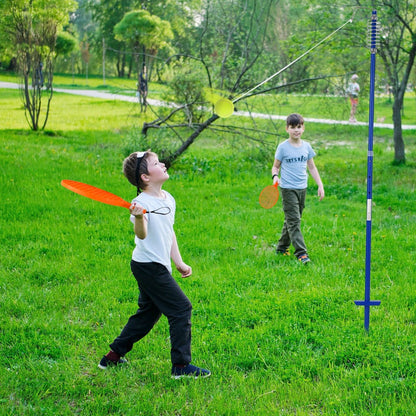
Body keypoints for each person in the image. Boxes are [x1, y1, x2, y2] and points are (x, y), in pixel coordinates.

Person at [98, 151, 211, 379]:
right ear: (146, 177)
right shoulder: (140, 203)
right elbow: (142, 235)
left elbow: (169, 233)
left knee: (148, 315)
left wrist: (178, 261)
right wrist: (139, 217)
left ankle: (112, 357)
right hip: (147, 266)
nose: (163, 164)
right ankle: (181, 367)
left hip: (159, 264)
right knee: (181, 308)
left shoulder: (168, 198)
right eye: (157, 163)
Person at [271, 113, 325, 264]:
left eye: (299, 127)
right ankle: (301, 253)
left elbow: (312, 167)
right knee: (294, 221)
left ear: (303, 128)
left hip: (303, 188)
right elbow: (275, 167)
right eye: (293, 127)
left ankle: (282, 248)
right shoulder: (283, 147)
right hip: (288, 189)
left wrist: (320, 185)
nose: (296, 130)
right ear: (287, 129)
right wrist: (275, 177)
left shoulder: (306, 147)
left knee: (292, 219)